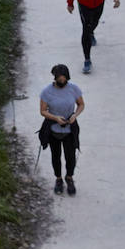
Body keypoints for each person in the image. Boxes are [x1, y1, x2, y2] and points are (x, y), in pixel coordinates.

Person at [40, 63, 84, 193]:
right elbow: (43, 111)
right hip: (54, 130)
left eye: (64, 78)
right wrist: (55, 118)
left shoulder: (74, 89)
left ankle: (69, 177)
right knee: (56, 156)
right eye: (59, 78)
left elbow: (81, 104)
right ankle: (58, 179)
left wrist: (75, 115)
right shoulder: (46, 92)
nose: (62, 80)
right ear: (55, 77)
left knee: (70, 156)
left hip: (69, 129)